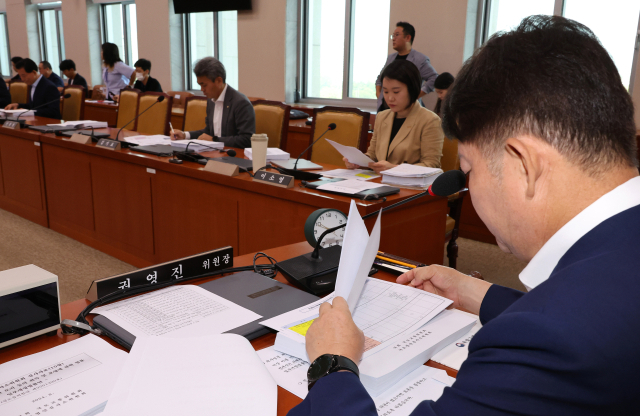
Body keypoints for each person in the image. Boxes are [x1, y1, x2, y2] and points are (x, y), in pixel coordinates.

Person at [289, 15, 640, 416]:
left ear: (524, 164)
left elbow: (565, 322)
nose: (468, 188)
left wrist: (332, 362)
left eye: (469, 170)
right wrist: (477, 293)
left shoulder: (547, 338)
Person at [344, 60, 443, 173]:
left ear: (412, 89)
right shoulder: (382, 117)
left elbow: (431, 165)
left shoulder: (430, 120)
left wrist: (394, 169)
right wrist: (358, 162)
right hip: (378, 180)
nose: (390, 98)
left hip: (408, 183)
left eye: (396, 92)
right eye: (386, 92)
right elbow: (372, 155)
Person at [171, 57, 255, 148]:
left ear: (219, 81)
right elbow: (209, 132)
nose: (202, 89)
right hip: (213, 152)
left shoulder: (241, 103)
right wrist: (185, 135)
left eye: (204, 85)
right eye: (200, 85)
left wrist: (214, 140)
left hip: (232, 154)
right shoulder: (211, 101)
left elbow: (247, 139)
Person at [375, 22, 438, 112]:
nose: (393, 39)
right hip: (385, 108)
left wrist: (416, 94)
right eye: (393, 36)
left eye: (397, 35)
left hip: (408, 110)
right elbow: (380, 79)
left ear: (408, 37)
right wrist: (379, 94)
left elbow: (434, 78)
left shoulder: (420, 59)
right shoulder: (391, 58)